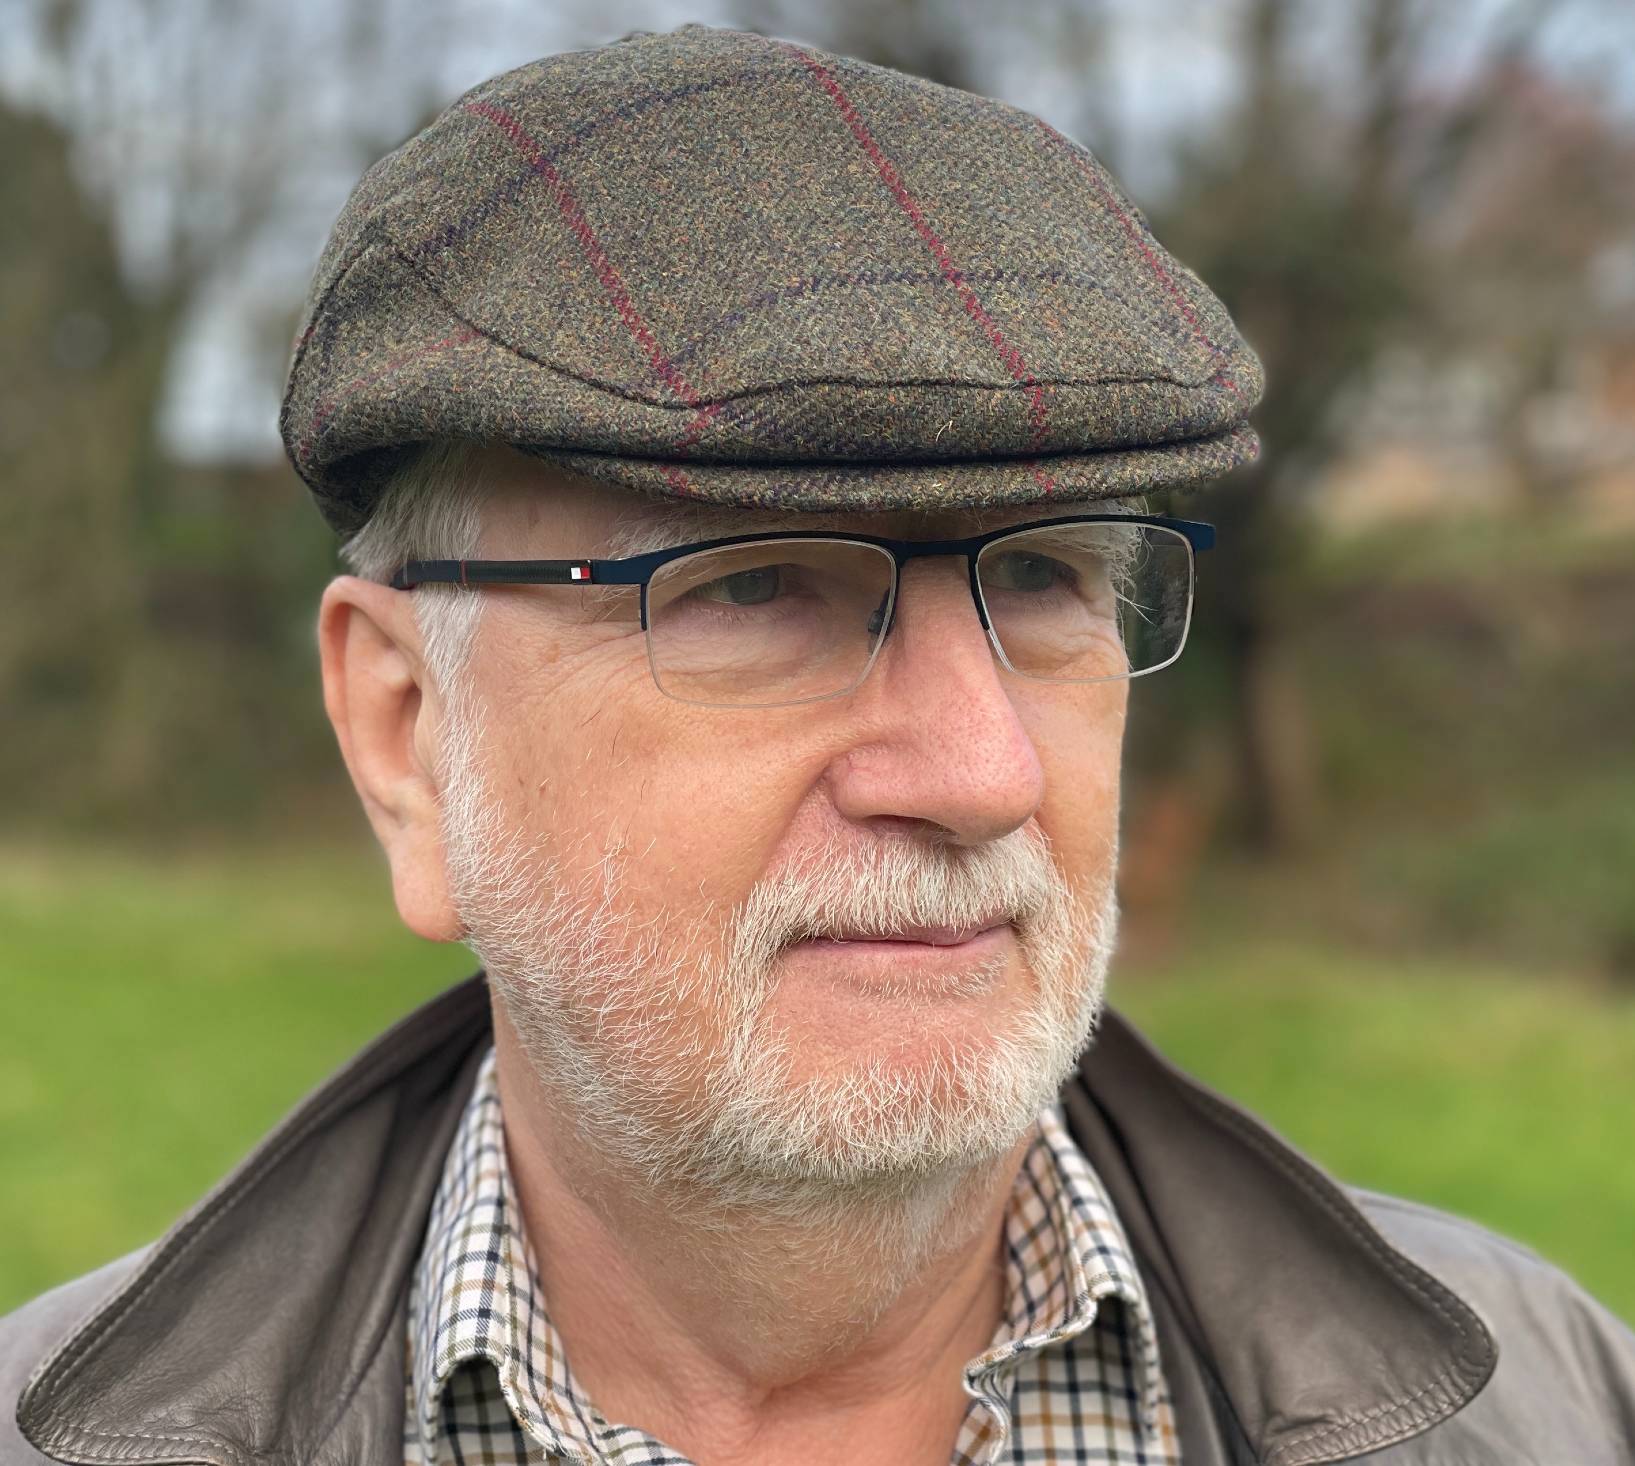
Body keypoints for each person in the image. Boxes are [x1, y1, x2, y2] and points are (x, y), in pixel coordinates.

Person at [4, 23, 1632, 1466]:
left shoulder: (1548, 1407)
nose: (980, 770)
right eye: (760, 586)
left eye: (1051, 577)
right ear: (407, 735)